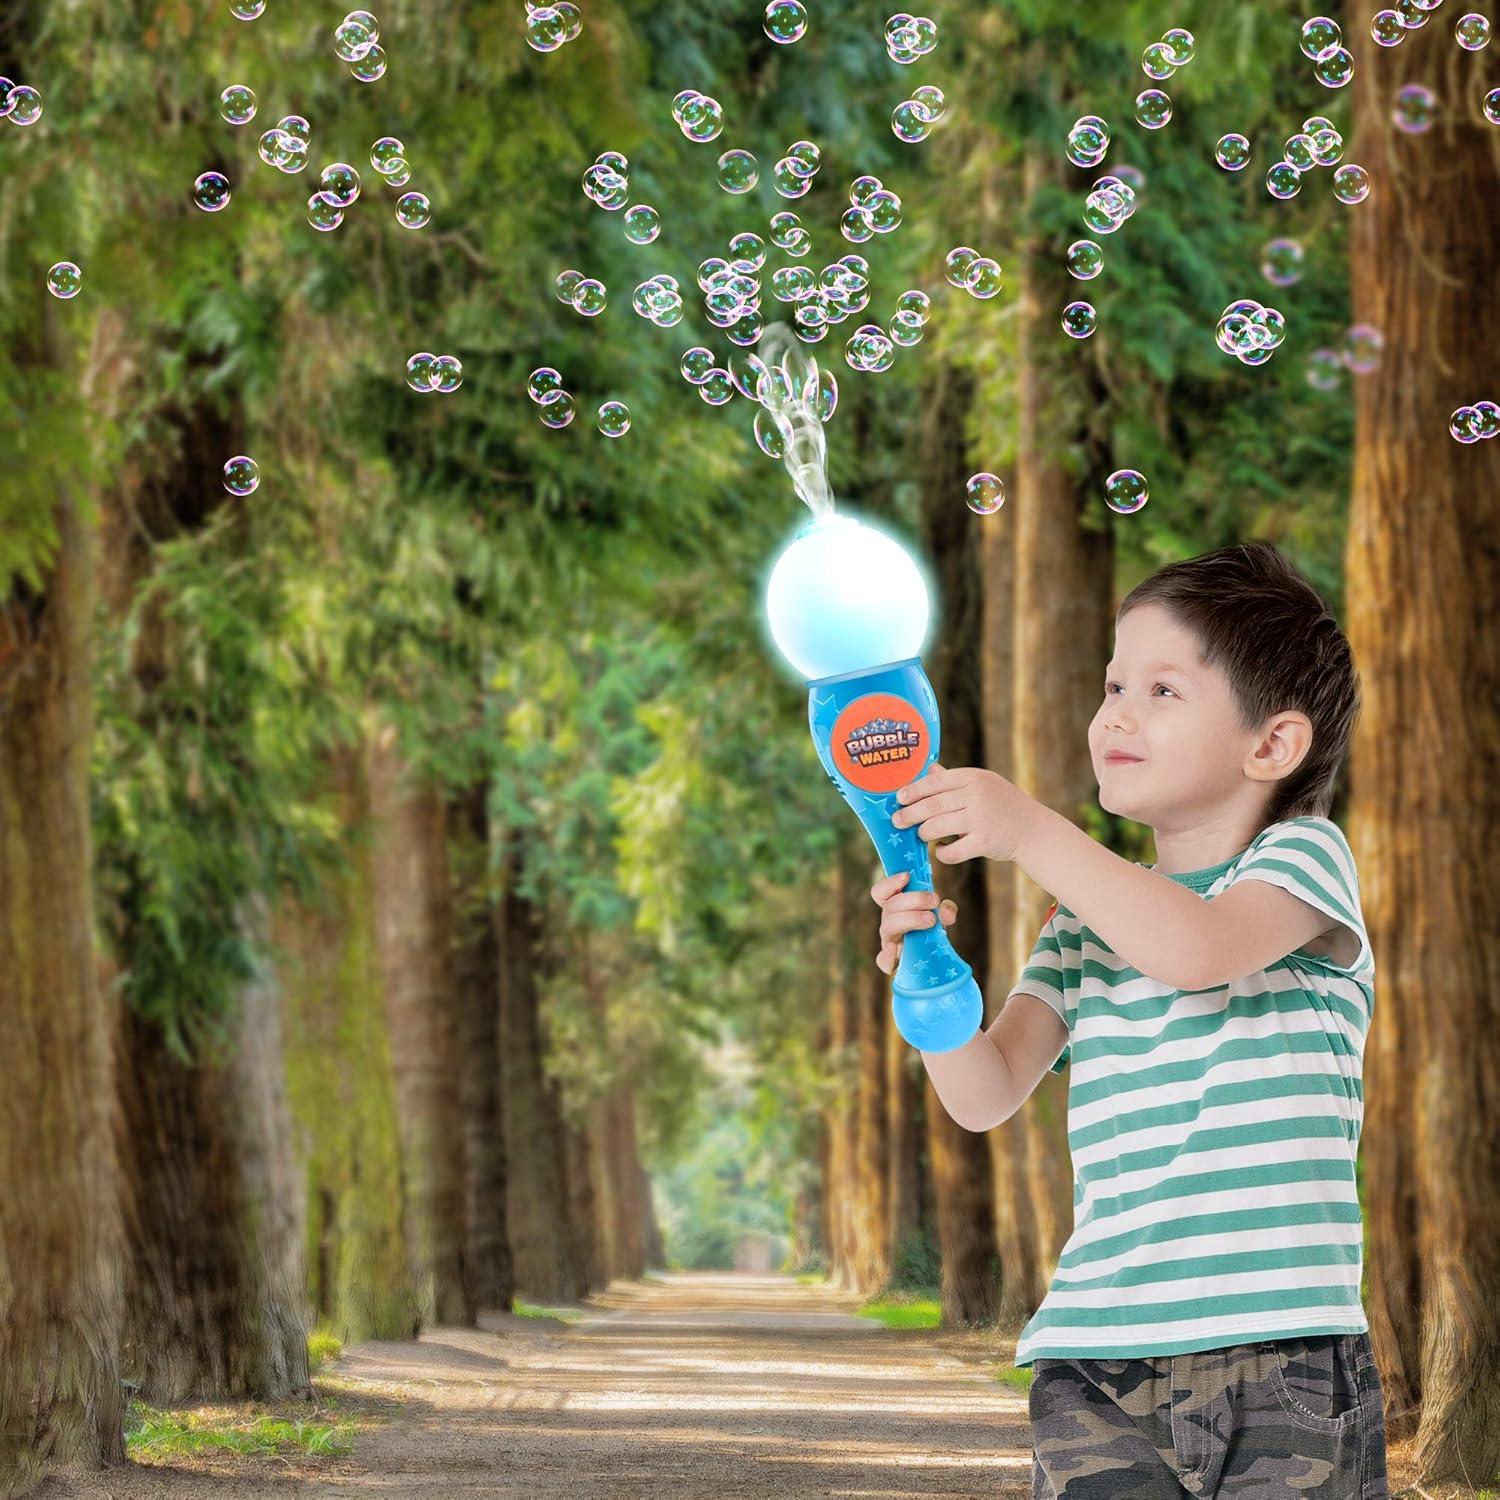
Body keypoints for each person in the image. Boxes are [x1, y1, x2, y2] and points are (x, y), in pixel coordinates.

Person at [871, 540, 1388, 1497]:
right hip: (1096, 1361)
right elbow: (984, 1093)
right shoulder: (1083, 925)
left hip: (1288, 1353)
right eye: (1113, 685)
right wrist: (924, 980)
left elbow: (1196, 949)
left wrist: (1029, 828)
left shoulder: (1302, 862)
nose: (1115, 712)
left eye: (1162, 690)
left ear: (1272, 746)